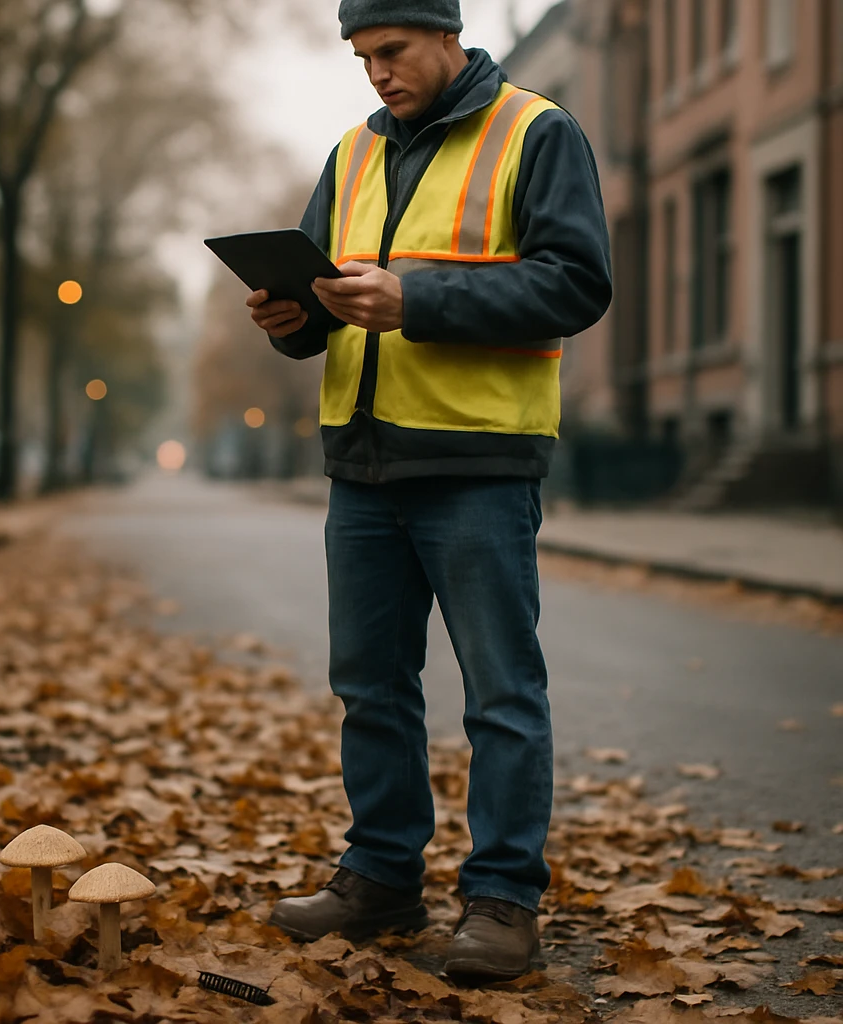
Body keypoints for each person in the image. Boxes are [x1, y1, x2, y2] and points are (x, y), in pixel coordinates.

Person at [246, 0, 612, 982]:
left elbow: (577, 283)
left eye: (391, 51)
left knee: (500, 696)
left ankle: (499, 900)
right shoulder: (352, 154)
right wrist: (288, 317)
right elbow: (322, 308)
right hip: (361, 469)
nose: (376, 74)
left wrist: (418, 299)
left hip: (479, 467)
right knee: (369, 689)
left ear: (445, 35)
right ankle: (380, 875)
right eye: (362, 57)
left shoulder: (536, 132)